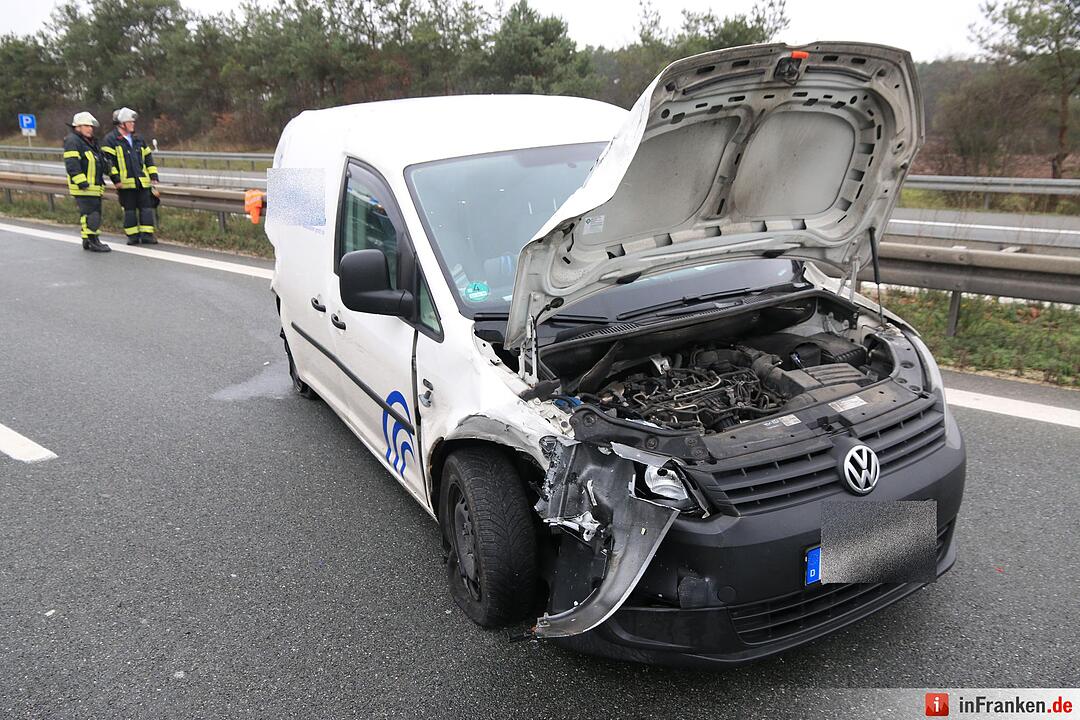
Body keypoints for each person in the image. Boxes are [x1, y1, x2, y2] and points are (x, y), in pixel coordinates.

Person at [101, 107, 159, 245]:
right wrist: (116, 180)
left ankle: (147, 235)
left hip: (142, 182)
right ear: (121, 124)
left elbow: (148, 157)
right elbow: (108, 162)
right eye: (130, 122)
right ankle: (132, 236)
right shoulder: (111, 140)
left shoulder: (138, 138)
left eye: (133, 122)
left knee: (146, 208)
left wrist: (153, 175)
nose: (133, 124)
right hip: (125, 184)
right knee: (130, 210)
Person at [63, 112, 111, 253]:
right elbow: (72, 164)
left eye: (91, 126)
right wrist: (81, 182)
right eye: (86, 126)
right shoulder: (73, 141)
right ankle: (94, 241)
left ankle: (87, 240)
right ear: (77, 127)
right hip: (84, 187)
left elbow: (99, 161)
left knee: (90, 214)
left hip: (94, 186)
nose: (90, 129)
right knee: (92, 215)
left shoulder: (90, 142)